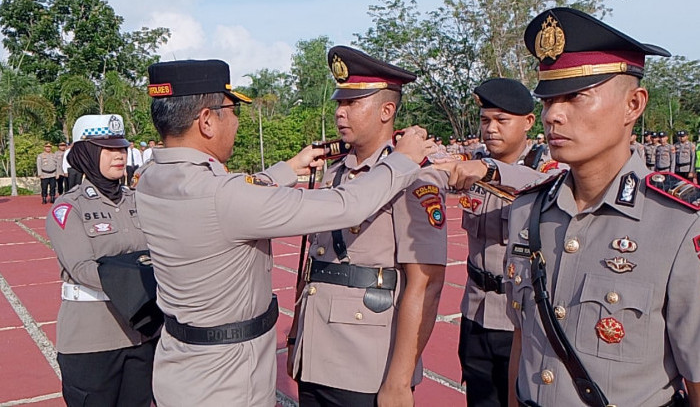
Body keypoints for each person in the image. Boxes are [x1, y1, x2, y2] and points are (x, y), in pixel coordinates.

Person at [135, 59, 435, 407]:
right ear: (206, 121)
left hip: (178, 364)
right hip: (227, 379)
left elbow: (236, 194)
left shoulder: (152, 179)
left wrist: (287, 169)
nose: (235, 122)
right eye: (232, 111)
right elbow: (347, 205)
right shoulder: (224, 196)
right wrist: (403, 160)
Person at [504, 7, 700, 406]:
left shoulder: (678, 224)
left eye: (576, 96)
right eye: (548, 99)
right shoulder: (528, 211)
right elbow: (524, 341)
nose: (553, 115)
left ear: (634, 105)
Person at [287, 46, 448, 407]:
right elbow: (314, 264)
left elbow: (426, 284)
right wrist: (298, 333)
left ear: (386, 111)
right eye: (339, 103)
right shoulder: (334, 173)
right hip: (316, 353)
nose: (340, 113)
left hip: (367, 363)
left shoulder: (414, 178)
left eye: (353, 103)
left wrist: (400, 380)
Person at [46, 114, 157, 406]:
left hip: (142, 334)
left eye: (121, 148)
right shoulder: (69, 208)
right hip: (91, 340)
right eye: (107, 149)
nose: (119, 155)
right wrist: (150, 273)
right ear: (84, 153)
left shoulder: (137, 200)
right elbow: (83, 269)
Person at [457, 78, 550, 407]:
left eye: (501, 120)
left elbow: (544, 181)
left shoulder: (548, 167)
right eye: (485, 120)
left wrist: (490, 169)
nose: (491, 129)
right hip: (476, 313)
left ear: (528, 122)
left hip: (522, 321)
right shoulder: (471, 164)